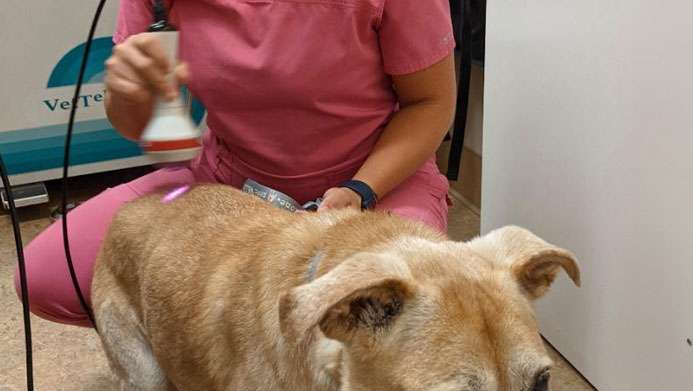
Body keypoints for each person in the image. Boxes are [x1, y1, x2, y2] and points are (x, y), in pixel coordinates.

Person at [17, 0, 457, 327]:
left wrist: (360, 191)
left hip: (376, 182)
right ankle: (207, 365)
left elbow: (430, 103)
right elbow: (142, 127)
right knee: (49, 277)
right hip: (229, 183)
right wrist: (128, 91)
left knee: (412, 310)